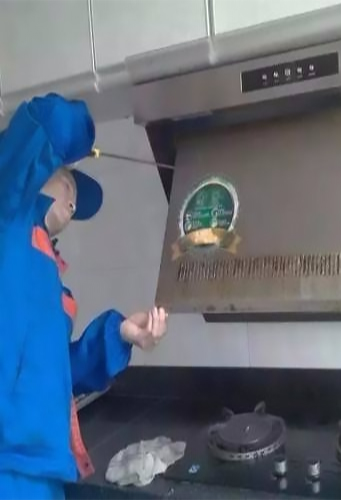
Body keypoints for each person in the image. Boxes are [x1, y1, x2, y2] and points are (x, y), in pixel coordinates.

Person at [0, 93, 168, 499]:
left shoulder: (52, 281)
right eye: (69, 183)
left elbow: (59, 374)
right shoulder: (8, 217)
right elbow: (50, 121)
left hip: (43, 471)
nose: (73, 203)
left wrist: (120, 334)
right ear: (38, 170)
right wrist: (76, 143)